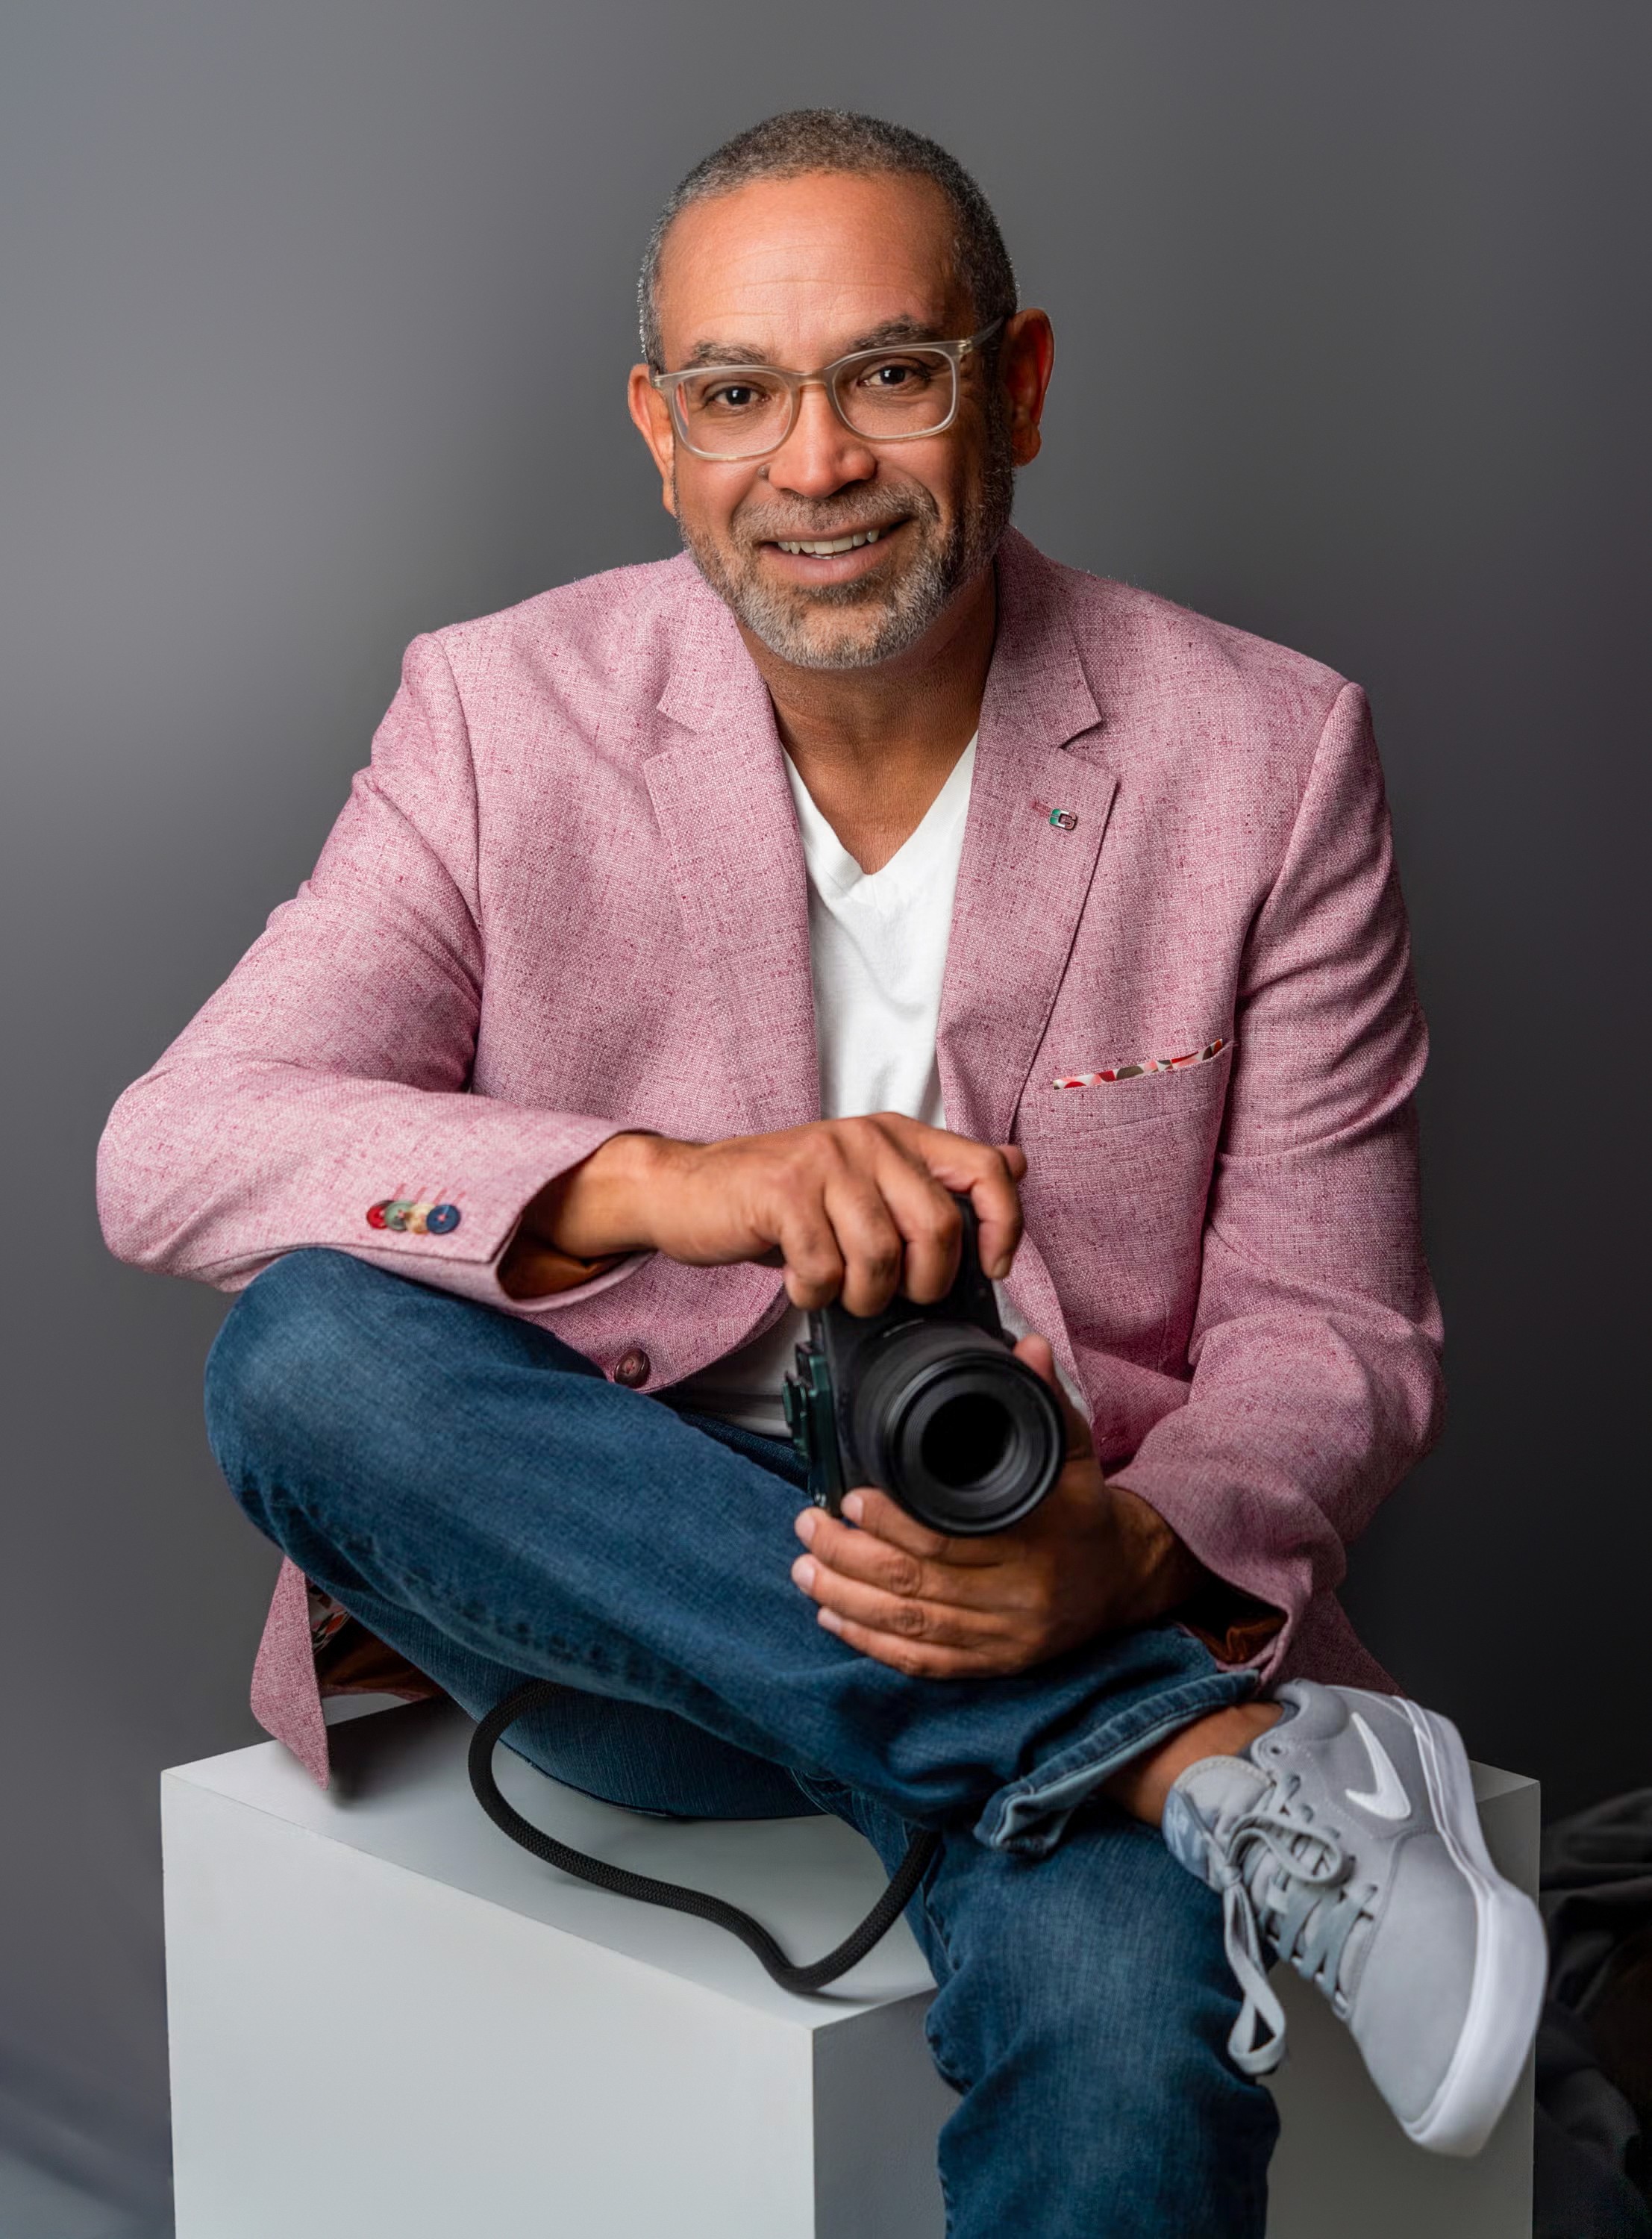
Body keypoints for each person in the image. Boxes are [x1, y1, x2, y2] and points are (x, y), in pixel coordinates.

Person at [98, 109, 1545, 2238]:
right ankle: (1170, 1753)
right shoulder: (500, 715)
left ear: (1016, 386)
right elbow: (173, 1147)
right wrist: (664, 1184)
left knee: (1128, 2058)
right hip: (617, 1594)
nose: (816, 464)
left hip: (1047, 1557)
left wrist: (1130, 1560)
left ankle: (1099, 1736)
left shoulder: (1262, 752)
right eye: (737, 395)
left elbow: (1335, 1327)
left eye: (889, 373)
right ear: (657, 433)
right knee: (308, 1356)